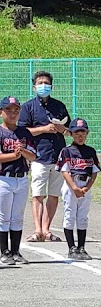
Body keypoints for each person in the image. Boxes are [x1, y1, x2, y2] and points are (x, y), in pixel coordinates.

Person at [18, 71, 71, 244]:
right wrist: (43, 129)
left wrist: (61, 129)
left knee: (54, 194)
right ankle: (37, 230)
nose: (43, 86)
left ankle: (47, 229)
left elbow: (68, 129)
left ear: (51, 86)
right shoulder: (28, 107)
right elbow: (23, 132)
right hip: (38, 156)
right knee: (38, 194)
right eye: (40, 83)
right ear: (34, 87)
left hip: (58, 155)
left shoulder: (59, 106)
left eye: (46, 83)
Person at [56, 118, 100, 260]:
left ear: (87, 133)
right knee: (70, 215)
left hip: (85, 185)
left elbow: (94, 172)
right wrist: (74, 187)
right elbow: (65, 171)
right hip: (71, 185)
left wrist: (87, 187)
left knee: (82, 217)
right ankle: (71, 247)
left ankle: (81, 247)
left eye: (83, 132)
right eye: (76, 132)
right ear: (70, 133)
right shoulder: (67, 151)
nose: (80, 135)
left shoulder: (90, 151)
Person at [0, 96, 36, 266]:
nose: (13, 113)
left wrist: (23, 152)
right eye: (8, 110)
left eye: (16, 110)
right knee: (3, 217)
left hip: (21, 178)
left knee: (17, 217)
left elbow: (33, 156)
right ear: (1, 112)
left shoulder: (24, 132)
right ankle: (4, 251)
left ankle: (15, 251)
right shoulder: (1, 132)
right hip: (4, 178)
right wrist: (13, 155)